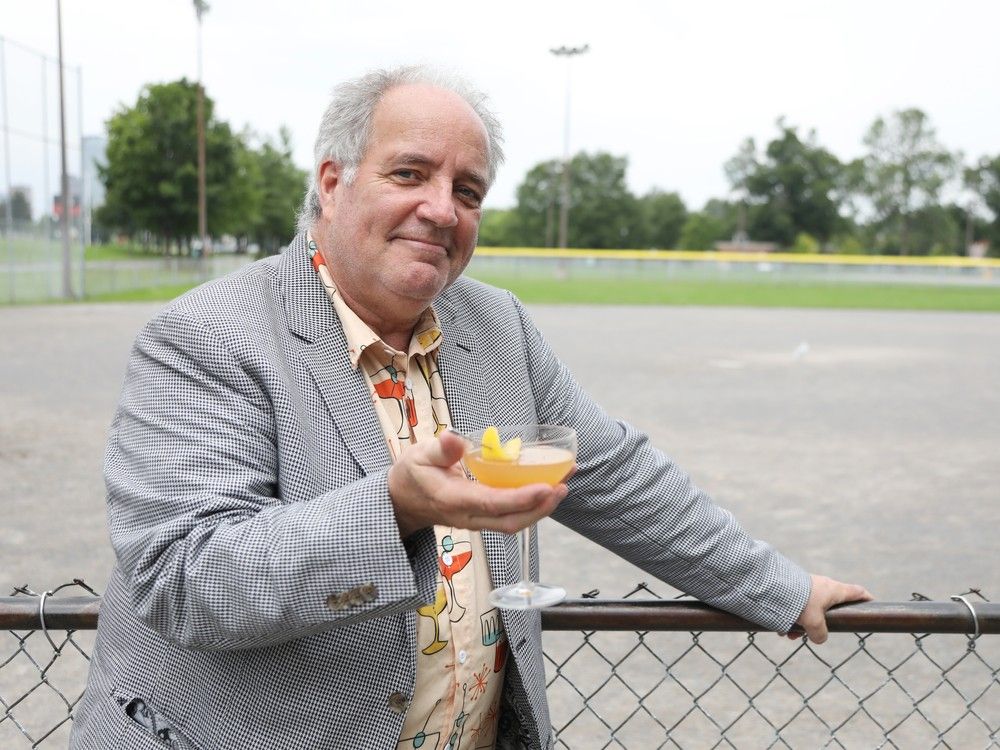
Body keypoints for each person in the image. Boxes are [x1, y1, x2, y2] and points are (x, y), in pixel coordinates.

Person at [71, 65, 871, 750]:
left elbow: (618, 477)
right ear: (332, 181)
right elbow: (187, 575)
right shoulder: (206, 337)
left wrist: (782, 587)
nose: (443, 210)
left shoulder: (497, 327)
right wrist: (394, 509)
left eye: (468, 190)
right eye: (410, 173)